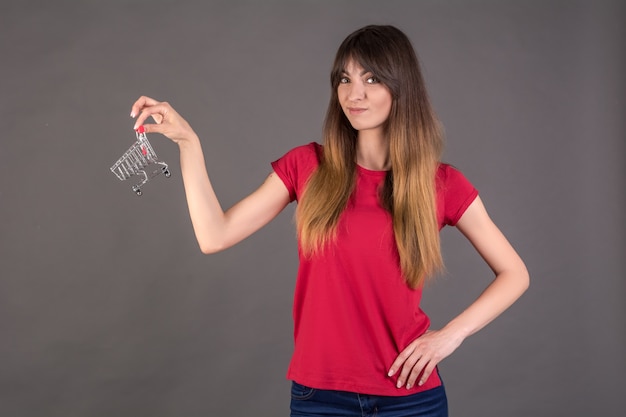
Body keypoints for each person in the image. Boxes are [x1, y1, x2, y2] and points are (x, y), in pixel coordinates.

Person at [130, 24, 529, 417]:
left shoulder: (441, 183)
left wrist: (448, 337)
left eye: (371, 79)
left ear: (401, 87)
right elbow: (213, 235)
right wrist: (188, 143)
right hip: (320, 399)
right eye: (344, 78)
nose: (353, 94)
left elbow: (515, 273)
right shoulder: (307, 166)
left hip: (411, 398)